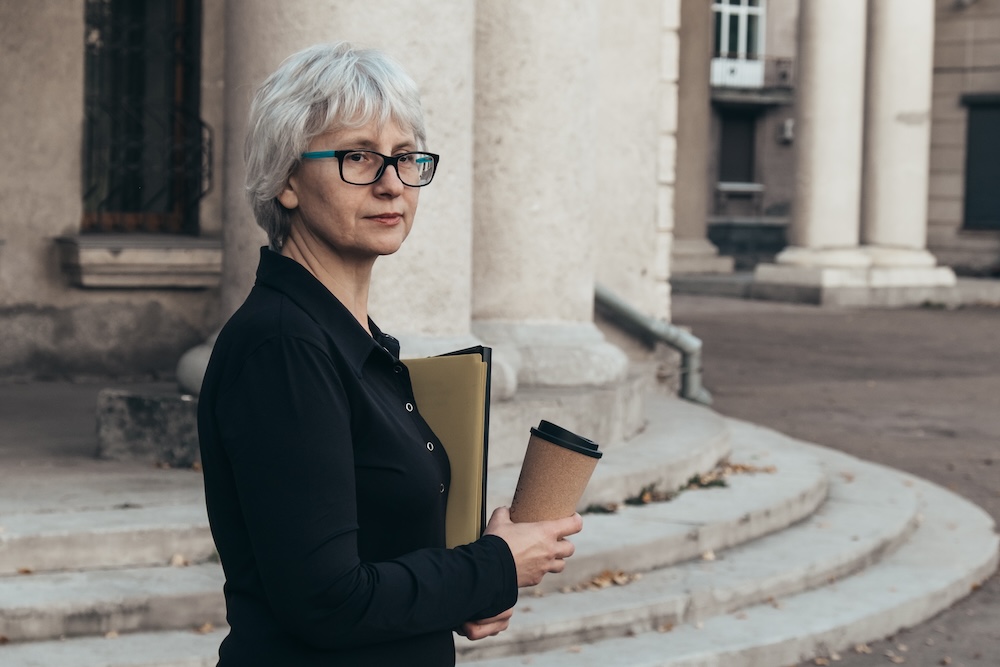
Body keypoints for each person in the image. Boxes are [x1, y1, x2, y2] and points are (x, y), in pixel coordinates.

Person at [197, 42, 583, 667]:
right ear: (286, 180)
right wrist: (493, 566)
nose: (391, 184)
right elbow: (327, 601)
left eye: (406, 159)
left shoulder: (353, 341)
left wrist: (464, 586)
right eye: (358, 157)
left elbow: (372, 561)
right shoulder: (283, 347)